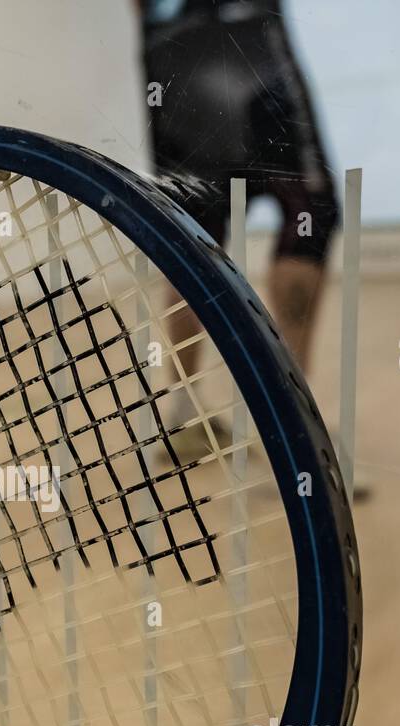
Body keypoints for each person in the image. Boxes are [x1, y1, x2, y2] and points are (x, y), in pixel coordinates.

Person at [138, 0, 342, 465]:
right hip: (252, 57)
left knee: (190, 236)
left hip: (170, 64)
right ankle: (293, 438)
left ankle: (185, 416)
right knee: (310, 211)